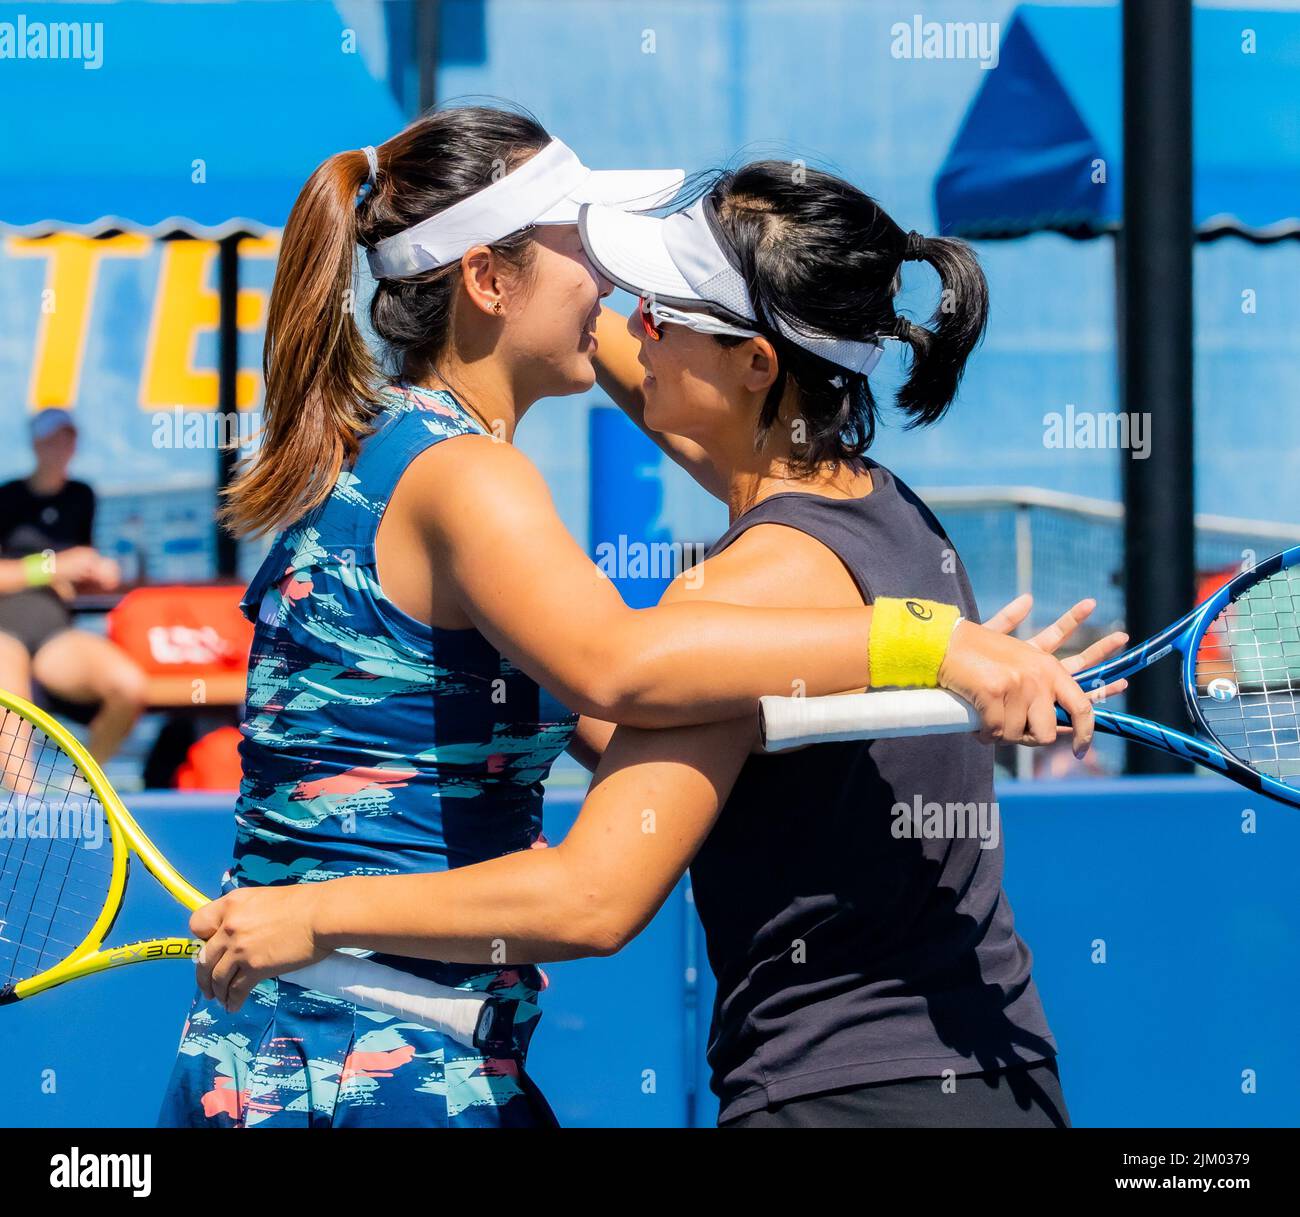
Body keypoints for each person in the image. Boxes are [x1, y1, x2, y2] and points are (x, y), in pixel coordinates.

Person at [183, 145, 1123, 1129]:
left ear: (757, 364)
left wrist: (312, 909)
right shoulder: (895, 519)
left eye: (666, 309)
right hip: (998, 1080)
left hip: (836, 1100)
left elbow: (591, 894)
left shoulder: (741, 591)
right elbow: (657, 387)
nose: (630, 320)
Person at [0, 408, 148, 761]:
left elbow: (77, 567)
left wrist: (100, 570)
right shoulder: (7, 498)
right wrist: (52, 567)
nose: (61, 447)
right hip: (5, 629)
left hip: (55, 634)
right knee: (11, 704)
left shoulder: (81, 496)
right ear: (36, 445)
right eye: (53, 439)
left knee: (130, 686)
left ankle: (85, 791)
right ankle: (25, 808)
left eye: (68, 438)